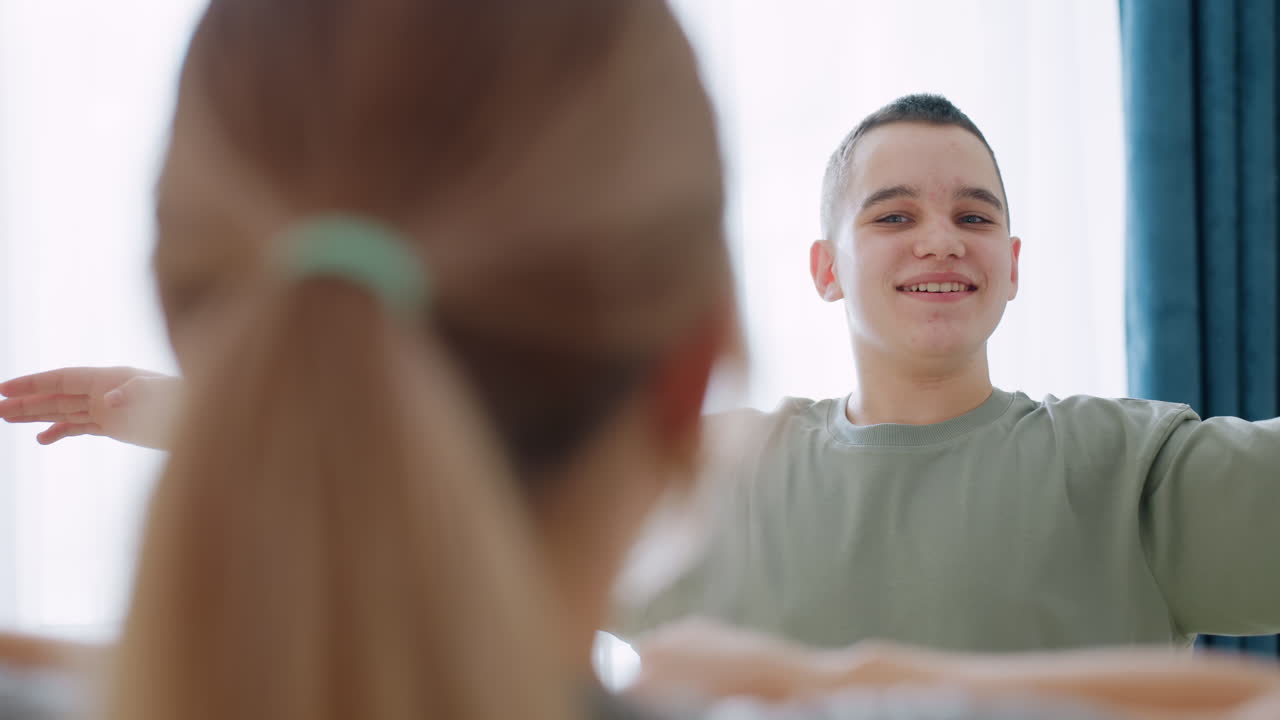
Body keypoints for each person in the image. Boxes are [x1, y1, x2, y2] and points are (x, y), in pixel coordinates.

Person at [3, 3, 1280, 719]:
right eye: (891, 213)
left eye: (974, 215)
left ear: (1014, 263)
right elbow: (463, 443)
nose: (939, 238)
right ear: (817, 272)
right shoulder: (732, 468)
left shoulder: (1131, 464)